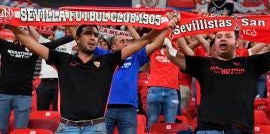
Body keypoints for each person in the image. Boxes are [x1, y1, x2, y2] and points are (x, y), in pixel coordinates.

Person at [7, 16, 178, 133]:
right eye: (88, 33)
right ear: (78, 38)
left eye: (96, 35)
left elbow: (144, 41)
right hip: (67, 128)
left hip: (96, 128)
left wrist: (165, 27)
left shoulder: (108, 61)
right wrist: (11, 23)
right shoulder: (62, 60)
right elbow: (31, 43)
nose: (93, 37)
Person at [165, 30, 270, 133]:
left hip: (241, 129)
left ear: (237, 42)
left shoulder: (250, 63)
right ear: (215, 43)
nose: (222, 38)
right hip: (208, 129)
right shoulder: (203, 63)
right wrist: (170, 29)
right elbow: (171, 54)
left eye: (228, 36)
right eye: (219, 36)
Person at [0, 26, 73, 134]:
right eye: (19, 28)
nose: (22, 30)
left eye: (25, 29)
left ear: (29, 34)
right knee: (1, 129)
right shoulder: (5, 45)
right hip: (3, 95)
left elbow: (55, 44)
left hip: (24, 96)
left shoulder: (35, 48)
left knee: (20, 131)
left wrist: (76, 34)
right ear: (14, 31)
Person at [105, 26, 167, 134]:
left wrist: (166, 27)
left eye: (128, 41)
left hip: (128, 109)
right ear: (113, 47)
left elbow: (156, 44)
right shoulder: (104, 56)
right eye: (122, 41)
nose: (126, 43)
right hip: (106, 108)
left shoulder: (135, 57)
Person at [28, 26, 76, 111]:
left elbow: (79, 35)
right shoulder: (46, 42)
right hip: (44, 83)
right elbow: (33, 31)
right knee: (41, 110)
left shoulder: (69, 44)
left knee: (59, 111)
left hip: (61, 82)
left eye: (63, 30)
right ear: (53, 31)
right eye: (59, 30)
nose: (61, 32)